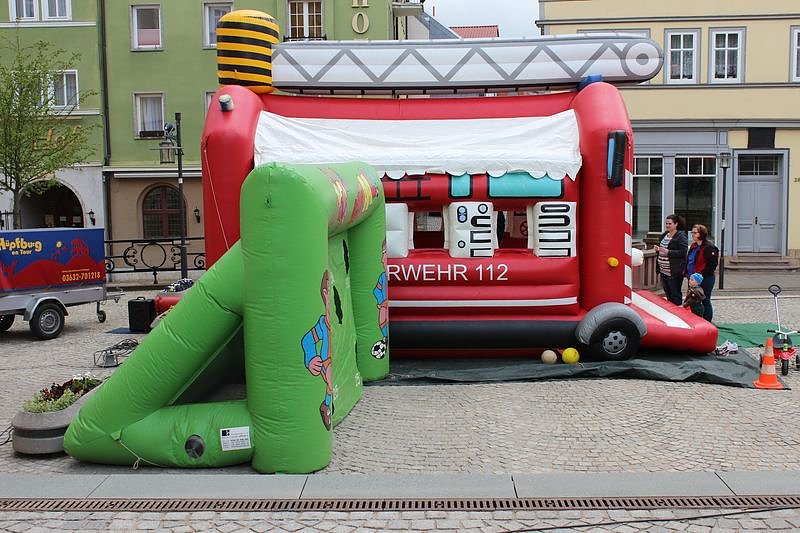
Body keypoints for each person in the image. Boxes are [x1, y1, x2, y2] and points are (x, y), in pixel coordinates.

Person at [684, 224, 719, 322]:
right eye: (692, 232)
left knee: (705, 300)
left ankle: (707, 321)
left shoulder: (709, 247)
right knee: (692, 300)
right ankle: (695, 320)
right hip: (693, 278)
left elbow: (712, 265)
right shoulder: (694, 246)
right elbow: (690, 261)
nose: (693, 234)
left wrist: (700, 277)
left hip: (705, 278)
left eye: (695, 233)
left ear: (701, 234)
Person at [653, 214, 688, 306]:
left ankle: (678, 311)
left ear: (676, 224)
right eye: (666, 223)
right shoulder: (664, 235)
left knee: (675, 294)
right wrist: (658, 249)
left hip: (674, 271)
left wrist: (669, 252)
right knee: (668, 294)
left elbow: (683, 252)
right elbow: (662, 249)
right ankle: (671, 310)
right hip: (663, 270)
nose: (667, 225)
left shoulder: (681, 236)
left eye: (670, 223)